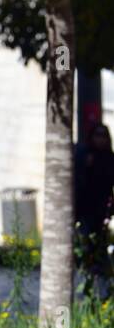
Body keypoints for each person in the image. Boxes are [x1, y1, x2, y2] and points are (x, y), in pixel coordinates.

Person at [74, 122, 114, 296]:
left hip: (102, 212)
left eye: (103, 135)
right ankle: (88, 278)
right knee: (85, 245)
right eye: (97, 135)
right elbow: (77, 183)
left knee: (100, 245)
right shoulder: (84, 154)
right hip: (85, 210)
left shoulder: (109, 157)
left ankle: (101, 282)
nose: (100, 139)